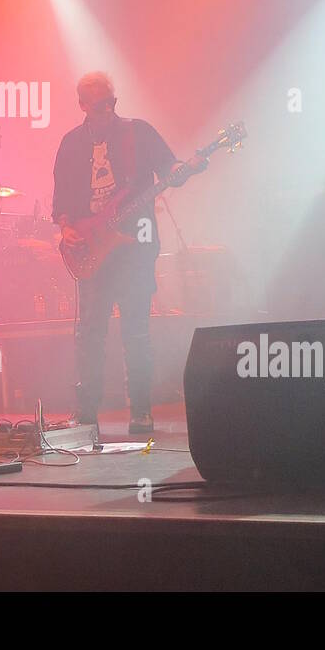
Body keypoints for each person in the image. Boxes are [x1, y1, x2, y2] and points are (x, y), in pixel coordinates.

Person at [52, 72, 203, 436]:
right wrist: (67, 228)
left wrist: (183, 170)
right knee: (90, 333)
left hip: (135, 248)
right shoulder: (71, 144)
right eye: (99, 105)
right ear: (83, 106)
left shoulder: (139, 132)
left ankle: (141, 412)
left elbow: (169, 169)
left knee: (136, 332)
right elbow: (62, 201)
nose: (107, 110)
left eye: (111, 102)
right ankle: (86, 413)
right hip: (93, 249)